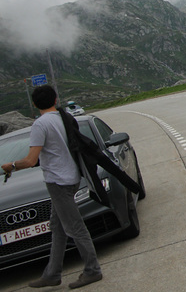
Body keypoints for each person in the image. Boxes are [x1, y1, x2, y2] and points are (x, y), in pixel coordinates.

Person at [1, 85, 103, 289]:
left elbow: (31, 160)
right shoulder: (61, 118)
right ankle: (52, 274)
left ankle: (93, 270)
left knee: (75, 227)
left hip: (58, 182)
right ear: (55, 99)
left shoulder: (41, 125)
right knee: (57, 227)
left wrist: (11, 166)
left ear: (34, 104)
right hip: (71, 177)